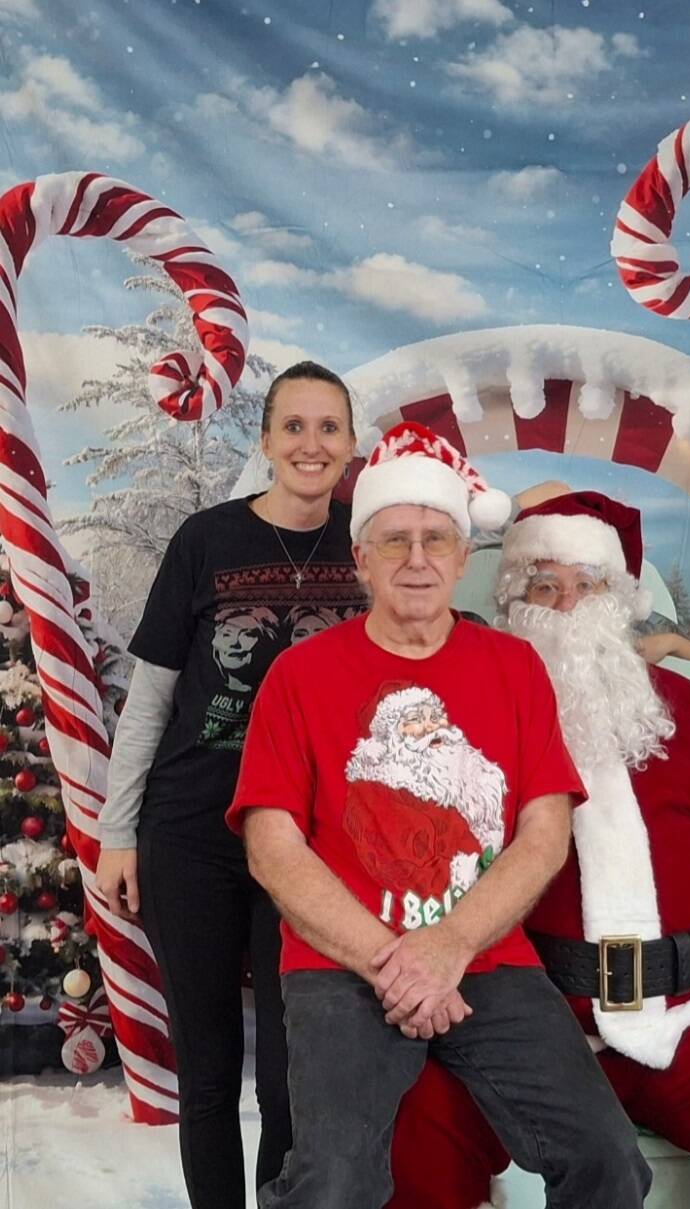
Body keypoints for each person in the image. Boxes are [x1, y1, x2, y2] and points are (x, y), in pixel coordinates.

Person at [389, 489, 690, 1209]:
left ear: (617, 600)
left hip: (681, 1010)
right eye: (542, 586)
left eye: (584, 585)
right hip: (518, 1021)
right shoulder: (461, 719)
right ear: (511, 601)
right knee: (419, 1115)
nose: (563, 605)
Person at [228, 424, 652, 1209]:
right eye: (393, 541)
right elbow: (273, 847)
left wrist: (451, 943)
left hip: (487, 958)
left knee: (608, 1160)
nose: (416, 559)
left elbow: (543, 829)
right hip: (339, 964)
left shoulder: (512, 667)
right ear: (360, 557)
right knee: (333, 1183)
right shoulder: (301, 676)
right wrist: (400, 961)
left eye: (435, 539)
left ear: (464, 557)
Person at [95, 361, 366, 1209]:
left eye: (329, 427)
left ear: (353, 444)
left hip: (309, 841)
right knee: (207, 1069)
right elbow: (151, 698)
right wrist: (117, 830)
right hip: (191, 834)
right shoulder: (205, 539)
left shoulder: (370, 545)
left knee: (292, 1075)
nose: (310, 444)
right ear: (266, 440)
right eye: (294, 426)